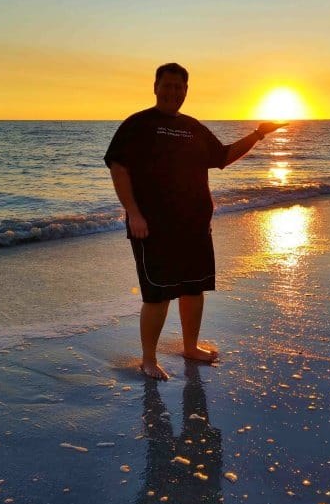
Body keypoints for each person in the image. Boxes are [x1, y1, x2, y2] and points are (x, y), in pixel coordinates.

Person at [104, 62, 281, 380]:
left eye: (179, 87)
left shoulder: (192, 127)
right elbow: (119, 168)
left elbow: (223, 157)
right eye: (167, 85)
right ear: (155, 87)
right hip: (153, 227)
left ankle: (189, 346)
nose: (173, 92)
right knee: (157, 295)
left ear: (186, 90)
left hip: (194, 226)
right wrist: (133, 213)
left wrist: (257, 134)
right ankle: (148, 359)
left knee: (193, 289)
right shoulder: (138, 125)